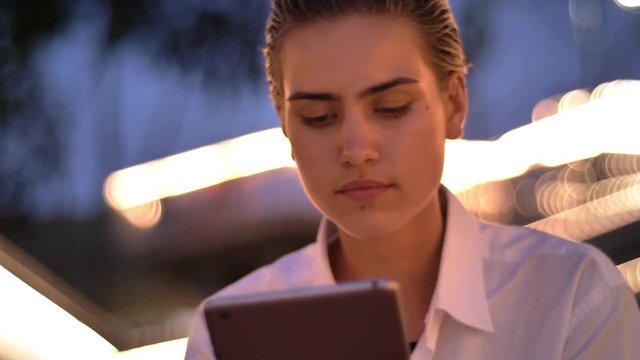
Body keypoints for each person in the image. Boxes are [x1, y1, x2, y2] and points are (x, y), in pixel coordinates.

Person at [185, 0, 640, 359]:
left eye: (391, 107)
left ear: (454, 105)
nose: (357, 149)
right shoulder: (232, 337)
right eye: (318, 117)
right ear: (286, 126)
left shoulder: (571, 297)